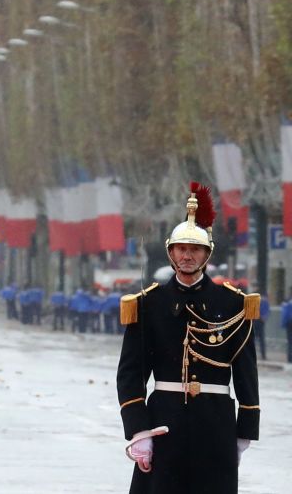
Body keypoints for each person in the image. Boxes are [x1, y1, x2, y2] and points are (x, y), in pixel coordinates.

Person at [116, 182, 259, 494]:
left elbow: (246, 371)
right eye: (181, 249)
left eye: (195, 250)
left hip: (216, 423)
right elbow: (130, 373)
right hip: (164, 421)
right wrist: (139, 430)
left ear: (207, 254)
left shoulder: (233, 303)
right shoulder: (148, 304)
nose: (187, 256)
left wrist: (244, 430)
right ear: (170, 253)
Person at [282, 288, 292, 364]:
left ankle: (290, 357)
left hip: (289, 323)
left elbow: (285, 315)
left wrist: (284, 324)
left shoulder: (288, 303)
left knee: (289, 341)